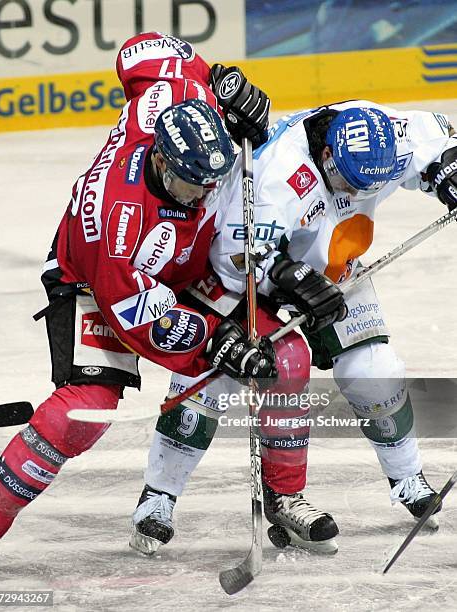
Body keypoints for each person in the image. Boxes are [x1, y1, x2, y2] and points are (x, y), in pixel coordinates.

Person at [0, 31, 277, 572]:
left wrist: (222, 81)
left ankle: (280, 495)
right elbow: (143, 324)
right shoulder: (122, 233)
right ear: (165, 166)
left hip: (178, 264)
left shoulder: (174, 101)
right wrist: (218, 343)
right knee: (86, 409)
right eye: (195, 186)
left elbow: (140, 50)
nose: (204, 192)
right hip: (93, 279)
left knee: (274, 341)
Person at [131, 100, 457, 555]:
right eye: (349, 183)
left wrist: (448, 171)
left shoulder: (376, 136)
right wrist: (290, 279)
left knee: (374, 370)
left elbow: (435, 137)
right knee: (214, 380)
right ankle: (159, 495)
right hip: (257, 272)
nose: (360, 194)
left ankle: (407, 478)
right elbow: (233, 259)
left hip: (334, 268)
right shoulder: (280, 178)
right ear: (326, 157)